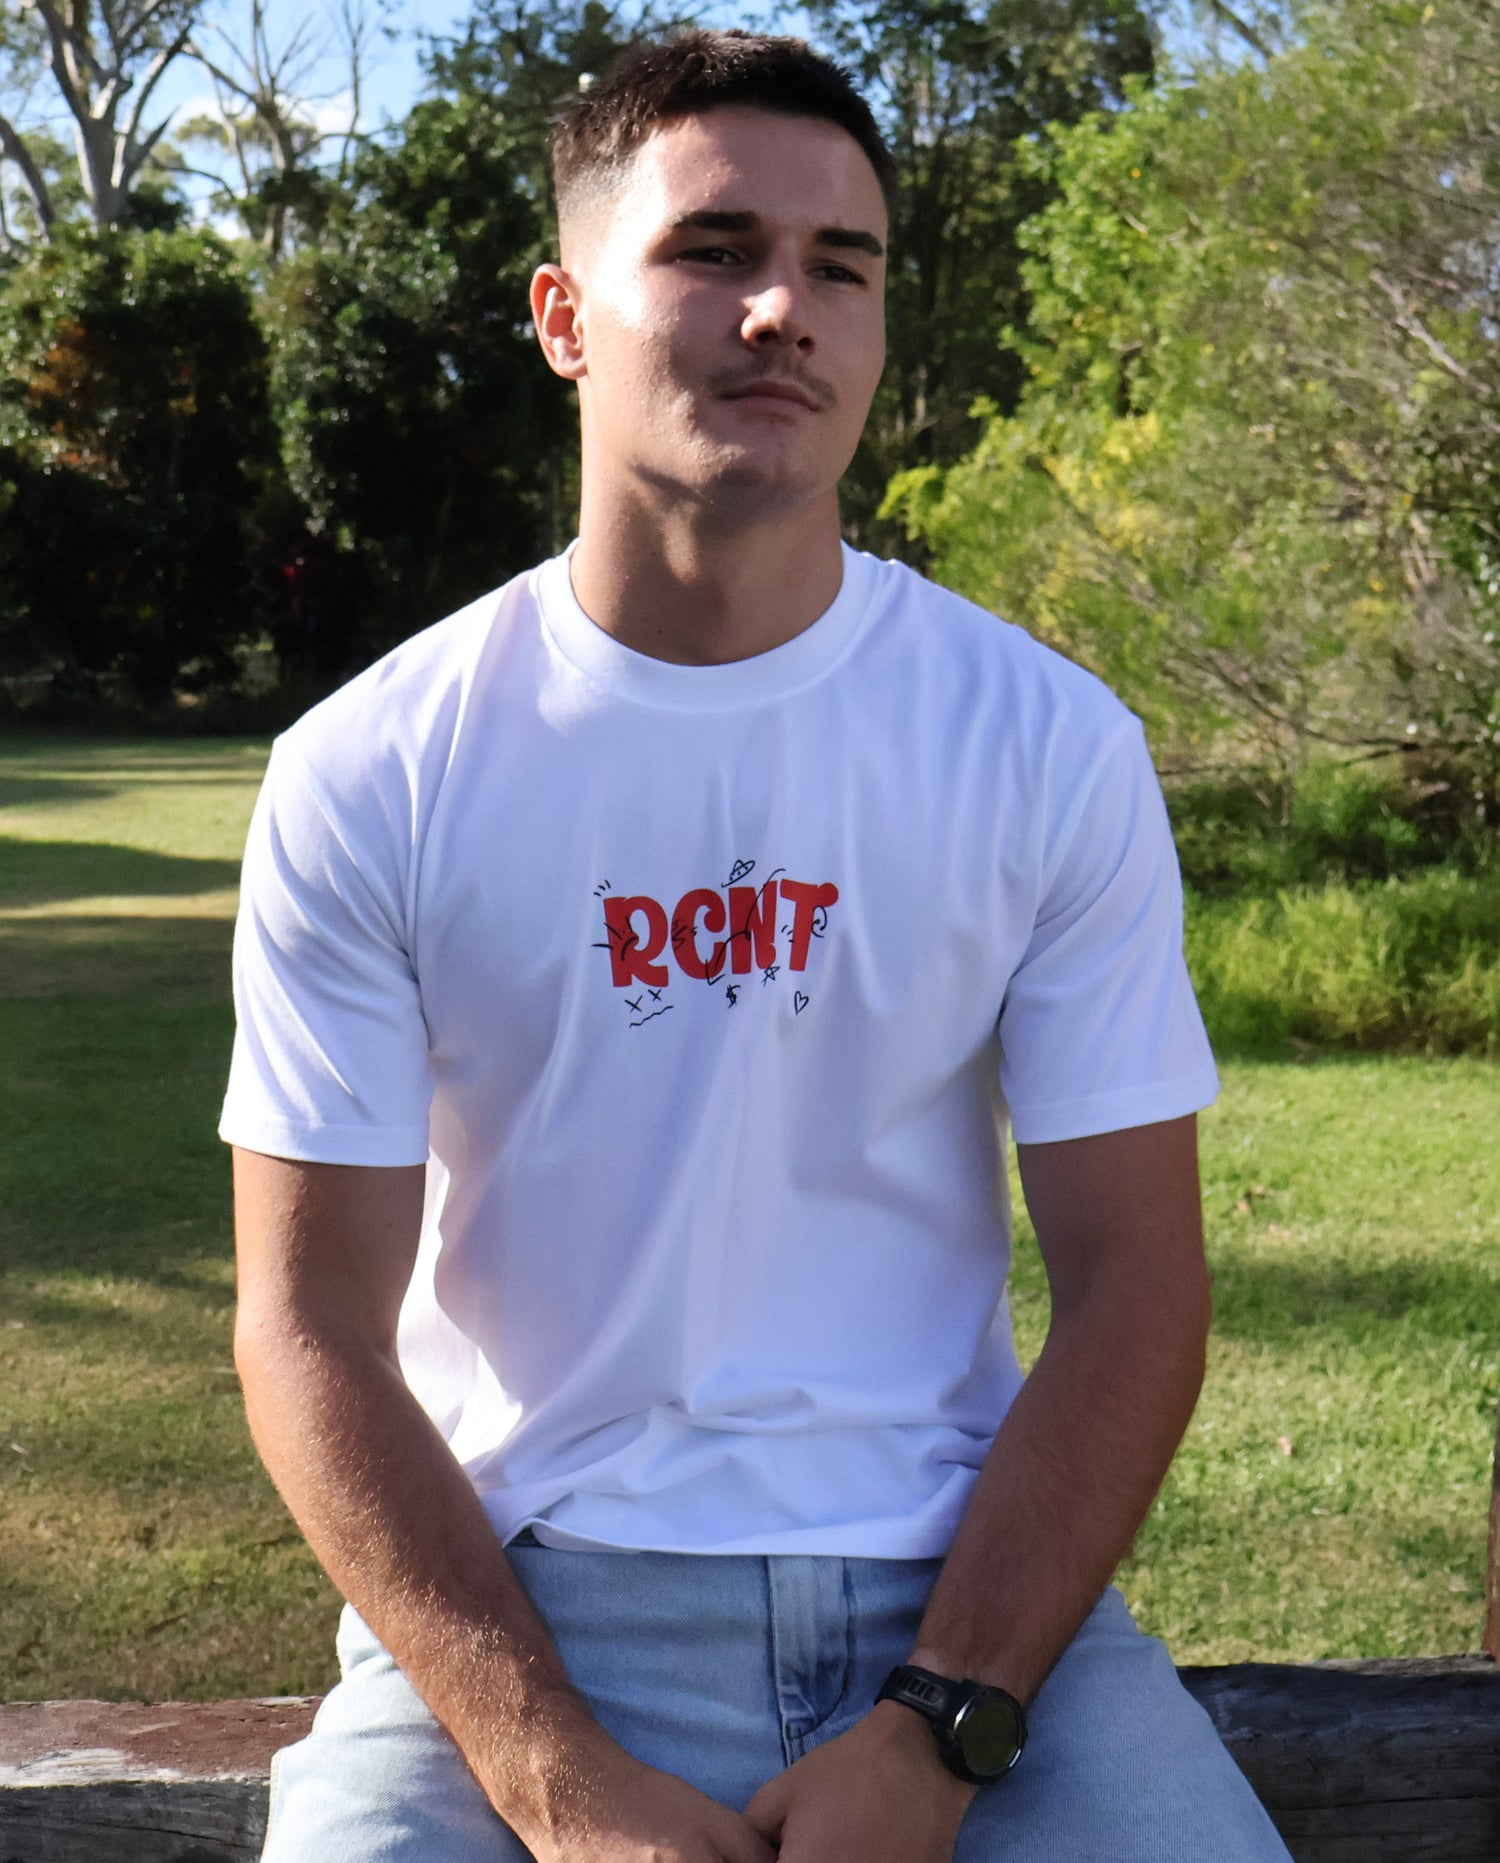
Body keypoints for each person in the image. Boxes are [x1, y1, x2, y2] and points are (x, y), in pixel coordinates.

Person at [219, 28, 1294, 1863]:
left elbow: (1137, 1284)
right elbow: (307, 1326)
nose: (785, 308)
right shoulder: (377, 769)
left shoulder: (1042, 743)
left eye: (841, 267)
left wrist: (943, 1725)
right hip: (528, 1601)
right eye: (714, 250)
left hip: (966, 1601)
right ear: (566, 317)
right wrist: (550, 1773)